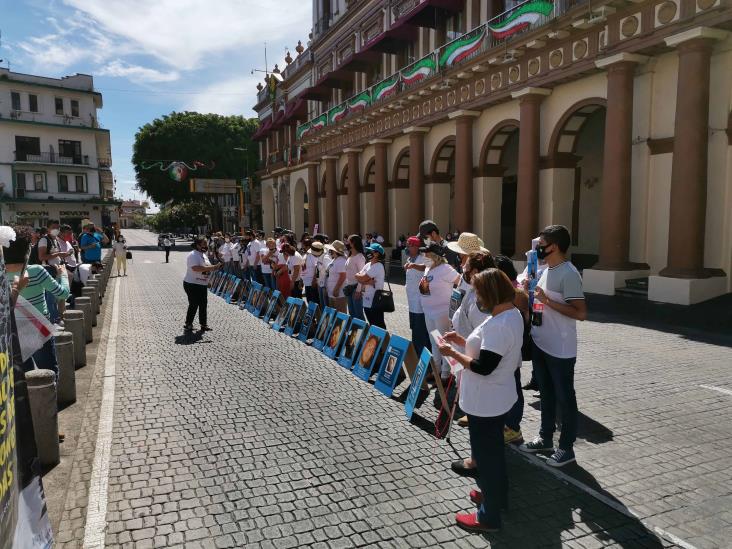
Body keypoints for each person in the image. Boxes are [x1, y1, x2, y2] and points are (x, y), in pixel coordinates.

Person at [438, 269, 524, 533]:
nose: (476, 297)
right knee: (494, 452)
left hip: (487, 401)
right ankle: (496, 497)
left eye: (478, 292)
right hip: (495, 398)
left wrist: (451, 352)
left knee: (487, 457)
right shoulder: (509, 314)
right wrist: (463, 342)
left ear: (491, 293)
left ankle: (488, 518)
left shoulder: (500, 324)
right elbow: (487, 350)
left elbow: (484, 366)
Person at [519, 225, 586, 467]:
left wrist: (546, 300)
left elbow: (580, 313)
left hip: (560, 348)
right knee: (546, 394)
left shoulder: (569, 273)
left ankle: (566, 448)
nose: (537, 249)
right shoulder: (546, 269)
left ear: (554, 246)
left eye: (542, 245)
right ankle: (545, 438)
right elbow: (538, 300)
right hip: (540, 342)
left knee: (565, 398)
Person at [5, 224, 70, 380]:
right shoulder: (36, 271)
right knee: (49, 372)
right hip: (39, 327)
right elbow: (63, 293)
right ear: (27, 250)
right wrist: (63, 274)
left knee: (25, 377)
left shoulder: (2, 275)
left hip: (14, 330)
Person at [419, 243, 460, 402]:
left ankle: (446, 375)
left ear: (434, 255)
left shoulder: (445, 269)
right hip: (429, 312)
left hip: (442, 312)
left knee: (445, 343)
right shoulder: (429, 268)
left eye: (426, 254)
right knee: (434, 342)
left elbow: (459, 281)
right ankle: (436, 370)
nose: (424, 257)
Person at [184, 236, 222, 332]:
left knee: (203, 304)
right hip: (192, 283)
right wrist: (213, 267)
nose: (206, 245)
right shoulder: (193, 255)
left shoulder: (203, 255)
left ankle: (203, 324)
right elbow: (196, 268)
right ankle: (188, 323)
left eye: (206, 243)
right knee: (194, 304)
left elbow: (206, 268)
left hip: (202, 284)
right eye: (204, 244)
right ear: (198, 245)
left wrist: (207, 281)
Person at [402, 236, 430, 355]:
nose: (407, 247)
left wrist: (414, 266)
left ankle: (423, 356)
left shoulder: (423, 258)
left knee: (420, 331)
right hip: (411, 302)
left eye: (409, 245)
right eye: (407, 245)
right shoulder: (410, 259)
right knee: (414, 329)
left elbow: (426, 268)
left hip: (420, 302)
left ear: (416, 247)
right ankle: (416, 353)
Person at [355, 243, 386, 328]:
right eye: (369, 250)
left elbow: (362, 277)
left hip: (375, 301)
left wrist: (362, 279)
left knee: (379, 326)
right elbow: (357, 276)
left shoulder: (378, 266)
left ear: (377, 254)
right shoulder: (368, 264)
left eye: (371, 251)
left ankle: (385, 341)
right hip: (366, 300)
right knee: (372, 324)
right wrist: (366, 281)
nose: (368, 252)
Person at [344, 235, 366, 320]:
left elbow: (362, 274)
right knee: (351, 312)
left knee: (358, 314)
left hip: (356, 288)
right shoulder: (350, 256)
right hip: (349, 287)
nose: (346, 243)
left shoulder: (360, 257)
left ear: (353, 243)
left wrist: (358, 290)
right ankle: (354, 332)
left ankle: (363, 332)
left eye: (348, 242)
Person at [302, 239, 320, 305]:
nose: (302, 247)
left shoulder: (313, 255)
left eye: (303, 245)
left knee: (314, 302)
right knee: (309, 301)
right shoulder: (306, 254)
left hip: (312, 283)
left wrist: (314, 280)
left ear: (307, 246)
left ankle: (316, 315)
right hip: (306, 282)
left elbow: (316, 268)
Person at [316, 241, 332, 308]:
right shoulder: (319, 257)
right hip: (320, 283)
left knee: (326, 305)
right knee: (322, 305)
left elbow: (329, 271)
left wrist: (325, 285)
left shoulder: (326, 257)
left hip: (324, 285)